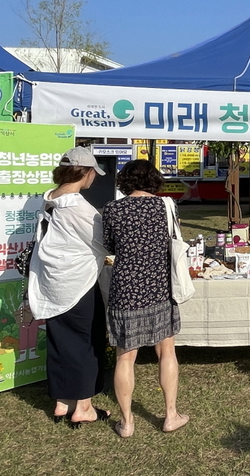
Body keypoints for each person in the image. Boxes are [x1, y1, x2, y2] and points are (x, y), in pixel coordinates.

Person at [103, 160, 189, 437]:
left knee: (125, 358)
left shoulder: (112, 209)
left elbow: (110, 245)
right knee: (166, 352)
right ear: (154, 179)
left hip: (125, 288)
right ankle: (170, 415)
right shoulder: (165, 206)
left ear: (125, 181)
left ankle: (127, 422)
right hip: (159, 286)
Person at [27, 147, 110, 426]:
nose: (93, 179)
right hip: (78, 282)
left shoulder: (49, 198)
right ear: (85, 173)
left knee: (60, 339)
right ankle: (83, 407)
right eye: (92, 174)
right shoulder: (78, 206)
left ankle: (62, 402)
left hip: (52, 280)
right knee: (87, 341)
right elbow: (102, 242)